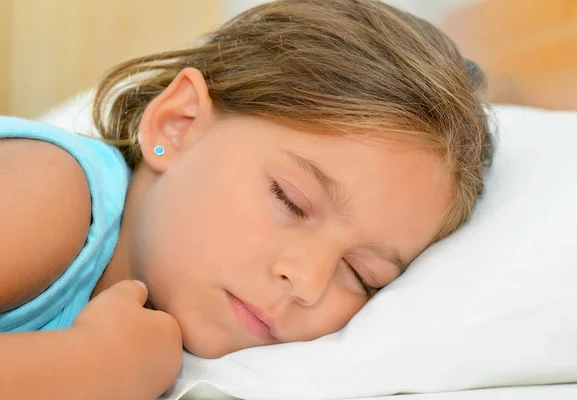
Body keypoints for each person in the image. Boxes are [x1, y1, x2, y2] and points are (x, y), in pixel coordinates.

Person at [0, 0, 493, 398]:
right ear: (180, 125)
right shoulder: (50, 190)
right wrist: (98, 366)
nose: (306, 280)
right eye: (291, 201)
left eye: (362, 276)